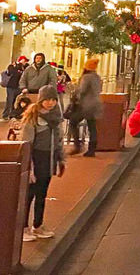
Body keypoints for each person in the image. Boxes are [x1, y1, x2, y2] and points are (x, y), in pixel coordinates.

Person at [20, 86, 65, 242]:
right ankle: (23, 228)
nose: (50, 103)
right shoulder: (32, 118)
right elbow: (26, 144)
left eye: (53, 100)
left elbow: (58, 141)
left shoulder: (55, 117)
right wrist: (29, 167)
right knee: (30, 194)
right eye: (47, 100)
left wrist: (61, 160)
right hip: (36, 160)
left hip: (49, 159)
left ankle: (38, 225)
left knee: (42, 193)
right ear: (41, 100)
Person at [70, 57, 102, 157]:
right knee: (92, 127)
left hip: (85, 105)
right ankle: (92, 149)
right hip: (95, 104)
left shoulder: (86, 77)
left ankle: (77, 145)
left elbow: (82, 90)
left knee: (73, 122)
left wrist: (75, 96)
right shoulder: (97, 77)